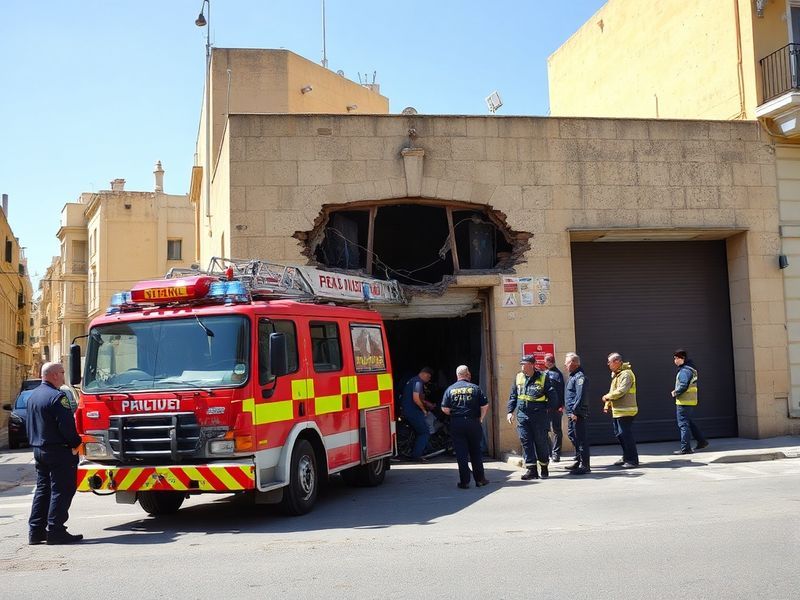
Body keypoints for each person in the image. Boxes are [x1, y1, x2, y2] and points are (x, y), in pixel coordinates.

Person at [26, 362, 83, 545]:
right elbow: (66, 426)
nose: (64, 375)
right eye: (62, 372)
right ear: (54, 375)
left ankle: (36, 531)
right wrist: (76, 443)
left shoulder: (33, 396)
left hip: (39, 449)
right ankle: (56, 530)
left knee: (43, 490)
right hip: (58, 451)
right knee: (62, 489)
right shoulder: (58, 397)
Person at [507, 354, 558, 480]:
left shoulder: (543, 377)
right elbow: (513, 396)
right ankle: (532, 470)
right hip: (522, 415)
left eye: (525, 364)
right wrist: (510, 411)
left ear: (532, 365)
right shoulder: (518, 377)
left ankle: (544, 468)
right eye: (522, 364)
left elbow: (553, 397)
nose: (522, 367)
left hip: (539, 416)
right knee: (526, 442)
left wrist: (547, 410)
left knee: (541, 442)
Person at [441, 365, 489, 489]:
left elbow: (444, 408)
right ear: (468, 374)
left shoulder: (450, 389)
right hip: (473, 422)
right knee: (475, 452)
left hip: (457, 423)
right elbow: (485, 405)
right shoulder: (475, 388)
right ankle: (480, 480)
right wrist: (481, 418)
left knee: (461, 454)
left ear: (457, 375)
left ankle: (465, 482)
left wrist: (454, 413)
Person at [602, 353, 639, 468]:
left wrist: (607, 397)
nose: (608, 364)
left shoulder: (626, 374)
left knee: (625, 435)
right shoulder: (617, 375)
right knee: (620, 434)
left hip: (626, 410)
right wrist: (607, 405)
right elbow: (613, 390)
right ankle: (626, 456)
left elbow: (621, 391)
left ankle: (632, 460)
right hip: (618, 410)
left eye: (610, 362)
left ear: (617, 361)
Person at [671, 349, 709, 455]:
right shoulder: (691, 369)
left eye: (676, 358)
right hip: (690, 401)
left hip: (684, 401)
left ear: (682, 358)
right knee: (690, 423)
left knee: (683, 425)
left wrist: (675, 392)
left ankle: (685, 448)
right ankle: (702, 442)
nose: (675, 361)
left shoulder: (684, 371)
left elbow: (683, 385)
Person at [564, 352, 590, 475]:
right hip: (571, 414)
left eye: (567, 362)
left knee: (581, 439)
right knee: (572, 435)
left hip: (577, 414)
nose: (565, 364)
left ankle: (585, 465)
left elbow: (581, 396)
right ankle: (578, 460)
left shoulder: (580, 377)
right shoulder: (573, 376)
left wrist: (575, 411)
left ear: (574, 363)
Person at [401, 367, 434, 461]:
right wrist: (424, 409)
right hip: (413, 412)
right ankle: (417, 456)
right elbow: (416, 398)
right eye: (429, 378)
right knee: (424, 433)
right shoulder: (418, 382)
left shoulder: (412, 380)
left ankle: (427, 449)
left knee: (418, 431)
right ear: (425, 374)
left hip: (407, 411)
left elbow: (418, 398)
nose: (428, 380)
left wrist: (427, 403)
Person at [543, 353, 565, 462]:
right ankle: (549, 451)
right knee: (545, 430)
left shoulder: (557, 374)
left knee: (556, 430)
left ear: (549, 361)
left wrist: (561, 405)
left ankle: (556, 453)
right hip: (546, 407)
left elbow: (561, 391)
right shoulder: (544, 373)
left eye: (545, 360)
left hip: (556, 407)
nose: (544, 362)